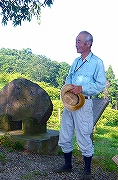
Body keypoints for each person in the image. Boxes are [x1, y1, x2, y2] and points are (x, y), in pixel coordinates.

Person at [56, 31, 106, 180]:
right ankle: (67, 165)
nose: (76, 44)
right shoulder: (76, 62)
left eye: (79, 41)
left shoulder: (97, 62)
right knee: (65, 133)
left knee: (84, 135)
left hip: (84, 103)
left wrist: (82, 88)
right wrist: (69, 87)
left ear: (88, 44)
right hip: (70, 101)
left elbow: (100, 85)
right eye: (76, 41)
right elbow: (69, 77)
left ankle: (87, 170)